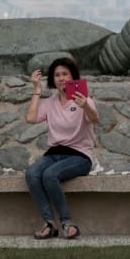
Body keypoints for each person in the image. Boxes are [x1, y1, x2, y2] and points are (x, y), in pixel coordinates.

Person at [24, 57, 99, 240]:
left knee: (50, 175)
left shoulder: (83, 99)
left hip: (79, 156)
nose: (61, 78)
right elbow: (31, 118)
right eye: (57, 75)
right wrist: (36, 90)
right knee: (32, 173)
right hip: (54, 153)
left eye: (65, 74)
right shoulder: (50, 102)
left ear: (73, 76)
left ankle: (67, 222)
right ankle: (49, 223)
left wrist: (85, 106)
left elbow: (94, 119)